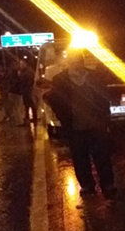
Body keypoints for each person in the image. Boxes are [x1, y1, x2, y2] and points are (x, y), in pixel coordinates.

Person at [43, 49, 117, 198]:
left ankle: (108, 185)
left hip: (96, 127)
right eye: (73, 59)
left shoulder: (94, 77)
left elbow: (104, 99)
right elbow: (54, 100)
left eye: (78, 59)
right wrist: (63, 118)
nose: (76, 62)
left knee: (102, 157)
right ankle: (87, 186)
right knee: (80, 159)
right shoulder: (60, 79)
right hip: (75, 128)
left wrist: (105, 120)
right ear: (69, 62)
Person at [8, 59, 35, 126]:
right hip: (19, 91)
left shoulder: (27, 71)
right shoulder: (16, 73)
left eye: (22, 64)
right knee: (22, 106)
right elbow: (16, 82)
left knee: (29, 104)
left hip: (26, 90)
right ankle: (22, 120)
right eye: (20, 64)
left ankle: (30, 117)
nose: (20, 65)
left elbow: (28, 81)